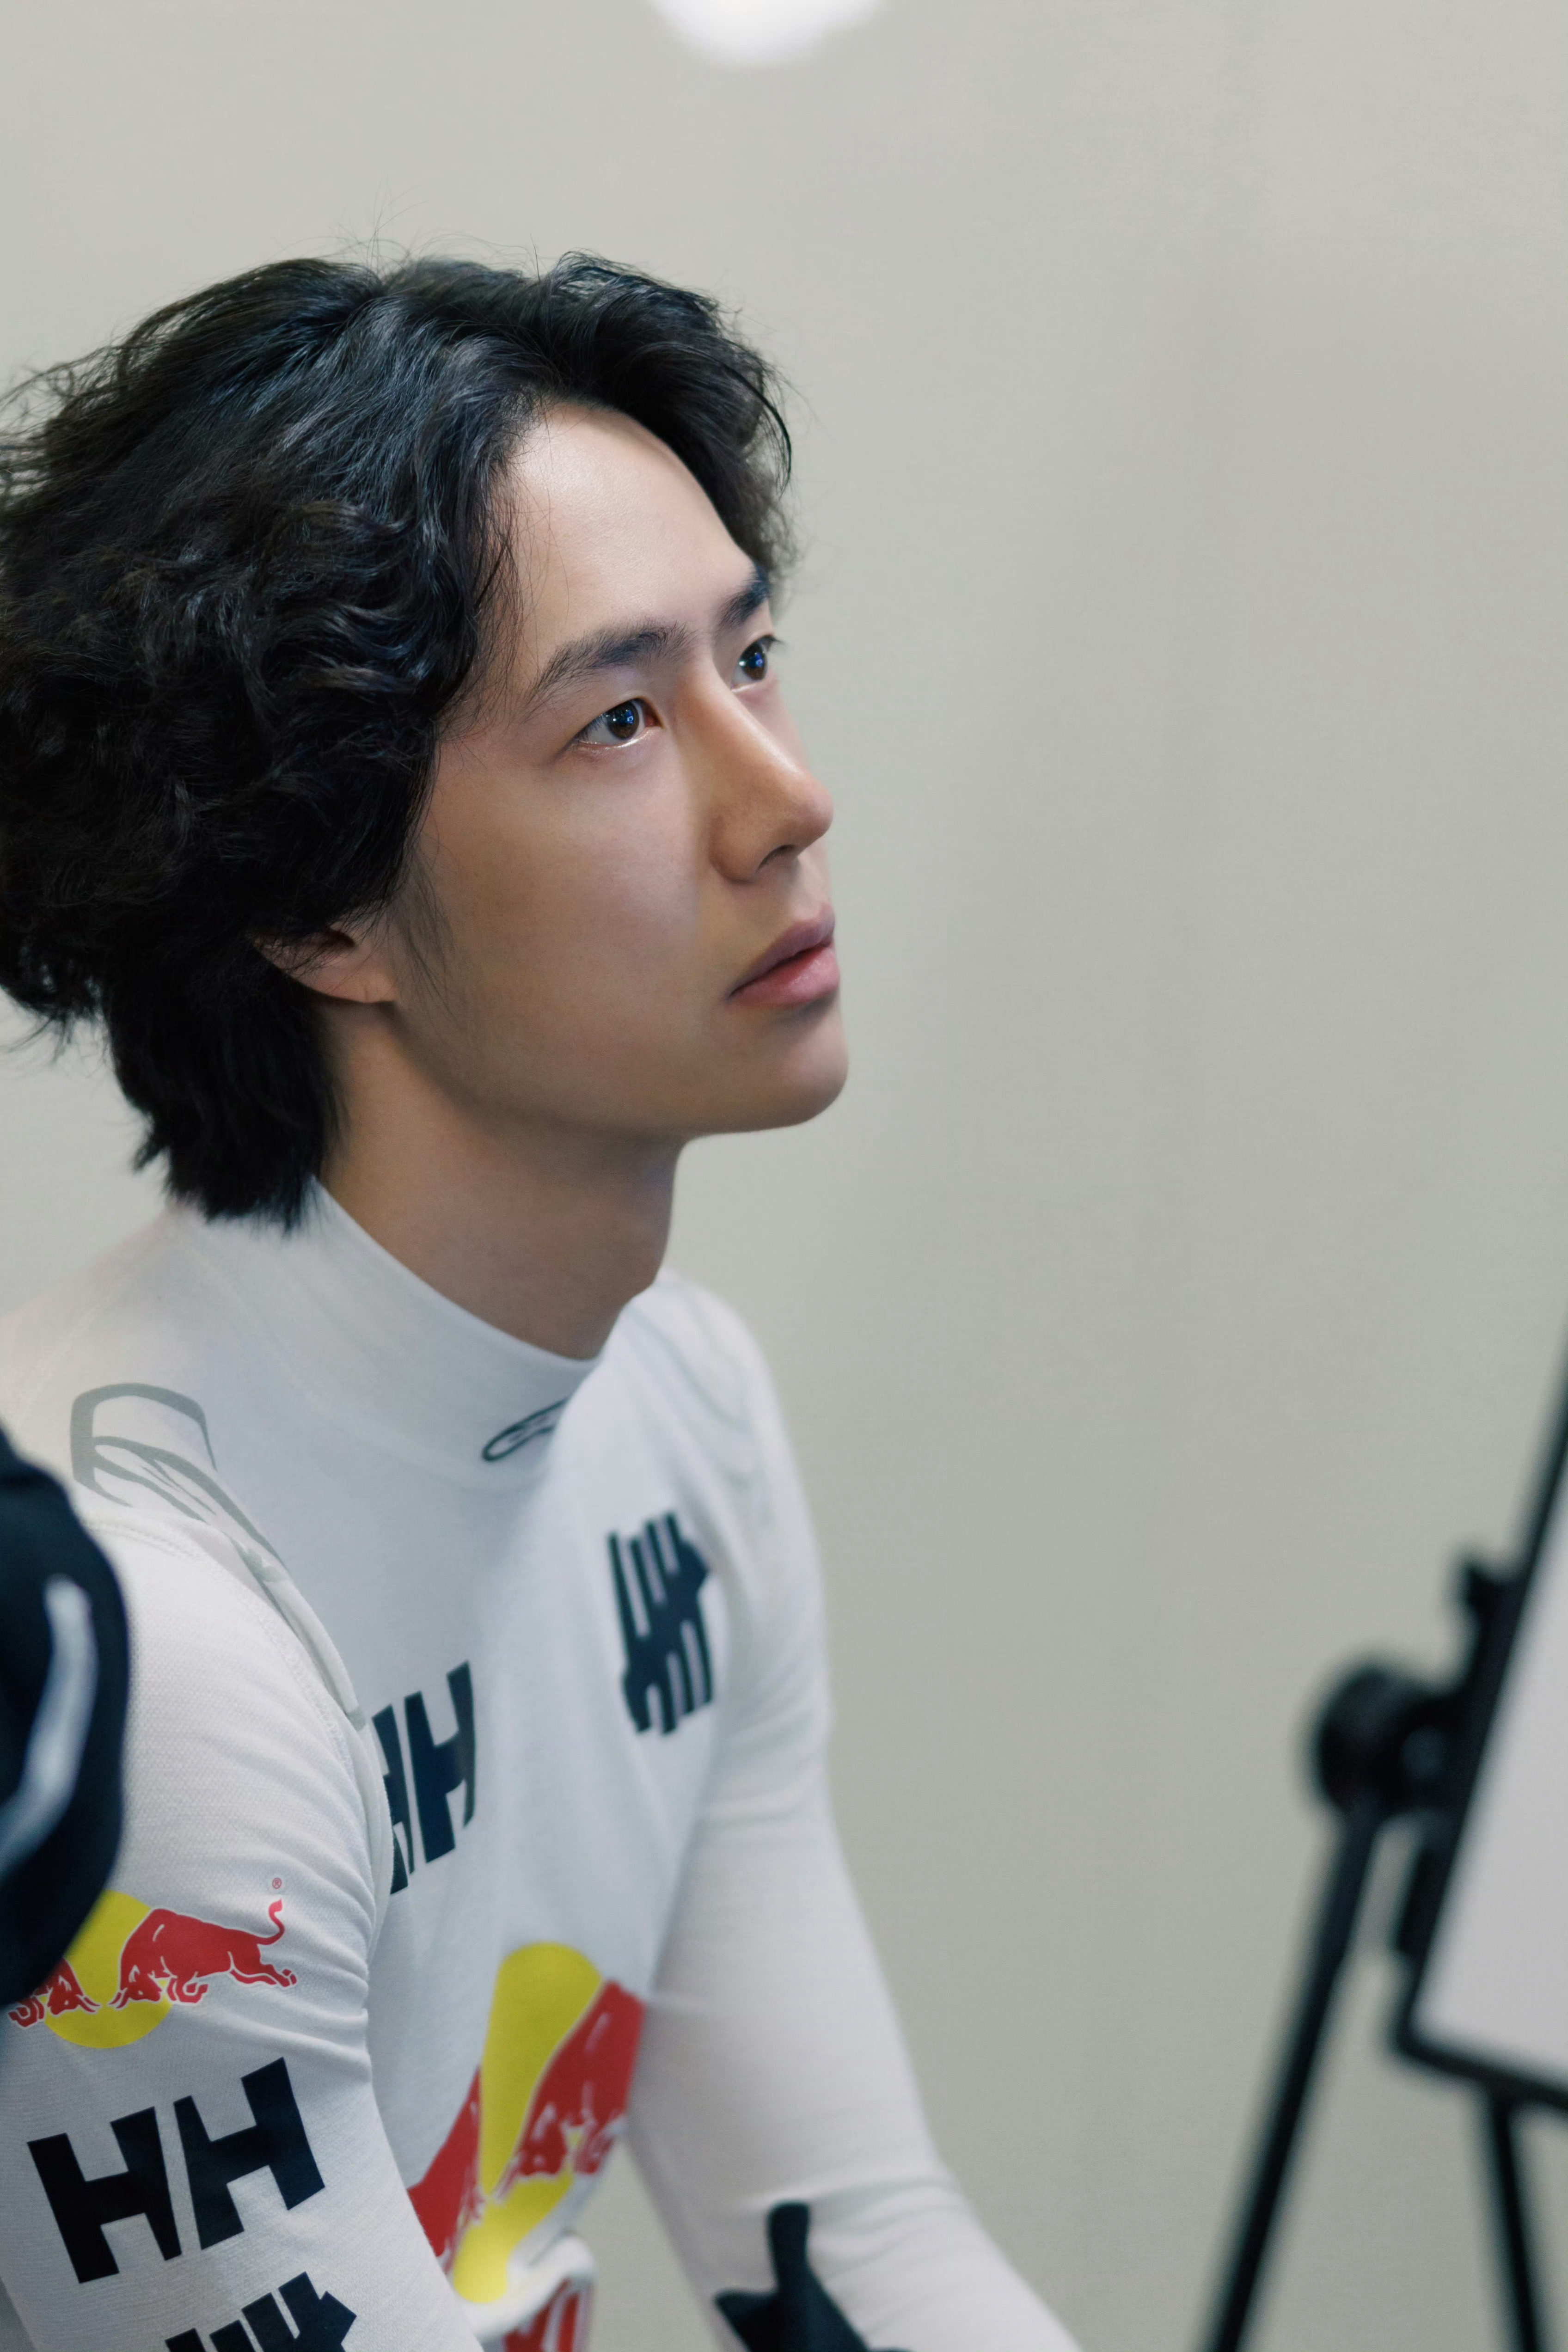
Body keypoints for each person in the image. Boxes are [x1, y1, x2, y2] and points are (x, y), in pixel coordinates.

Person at [0, 256, 1078, 2352]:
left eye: (753, 657)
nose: (786, 800)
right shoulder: (151, 1639)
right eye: (620, 721)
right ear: (322, 905)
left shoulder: (681, 1408)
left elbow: (853, 2242)